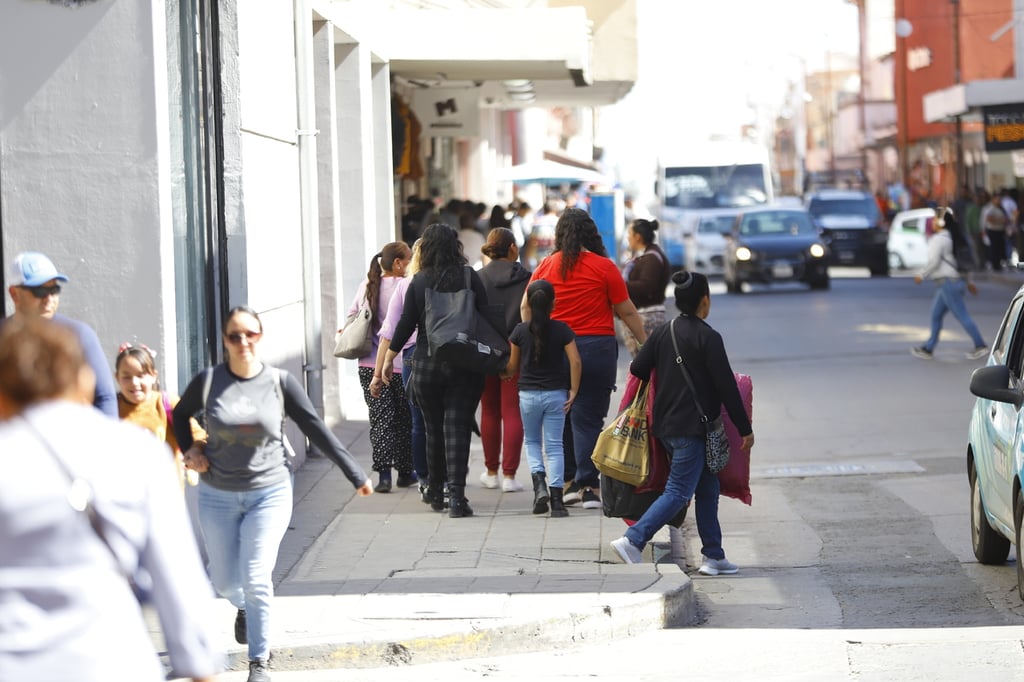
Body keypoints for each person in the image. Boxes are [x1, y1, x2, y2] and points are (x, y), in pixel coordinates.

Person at [0, 316, 221, 682]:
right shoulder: (134, 452)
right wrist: (200, 667)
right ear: (84, 380)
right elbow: (179, 584)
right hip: (110, 661)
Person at [172, 306, 373, 682]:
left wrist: (354, 473)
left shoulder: (279, 382)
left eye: (250, 334)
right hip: (218, 493)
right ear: (225, 341)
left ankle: (259, 664)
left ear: (260, 337)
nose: (243, 342)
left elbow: (315, 427)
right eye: (235, 336)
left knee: (256, 575)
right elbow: (179, 415)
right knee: (226, 582)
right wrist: (191, 450)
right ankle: (244, 606)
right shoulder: (208, 381)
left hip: (270, 492)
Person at [610, 271, 754, 573]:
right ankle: (633, 540)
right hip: (693, 429)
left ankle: (713, 555)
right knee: (677, 491)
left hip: (665, 426)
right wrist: (745, 429)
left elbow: (637, 366)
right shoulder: (708, 337)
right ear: (704, 301)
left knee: (707, 487)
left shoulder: (665, 332)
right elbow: (727, 387)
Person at [522, 207, 648, 510]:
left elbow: (526, 308)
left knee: (560, 416)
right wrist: (648, 344)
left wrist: (534, 337)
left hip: (555, 350)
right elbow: (626, 310)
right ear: (591, 234)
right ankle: (589, 485)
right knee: (588, 417)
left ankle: (567, 483)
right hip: (596, 350)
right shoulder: (604, 267)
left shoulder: (545, 267)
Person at [382, 223, 489, 518]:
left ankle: (434, 490)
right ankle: (456, 497)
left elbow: (406, 324)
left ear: (425, 248)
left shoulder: (419, 281)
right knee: (457, 429)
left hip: (427, 363)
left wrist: (390, 357)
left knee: (432, 429)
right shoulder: (470, 277)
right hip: (464, 364)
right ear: (455, 246)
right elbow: (488, 316)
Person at [6, 251, 117, 417]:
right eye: (39, 291)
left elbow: (105, 397)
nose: (49, 298)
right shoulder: (3, 338)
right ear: (14, 294)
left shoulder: (79, 334)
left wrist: (106, 441)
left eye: (54, 289)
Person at [506, 279, 581, 517]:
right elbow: (576, 361)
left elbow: (512, 366)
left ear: (528, 302)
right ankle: (557, 502)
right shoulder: (562, 330)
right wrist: (574, 390)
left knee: (532, 442)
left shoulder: (519, 331)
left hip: (528, 394)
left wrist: (501, 372)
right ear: (553, 303)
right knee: (555, 446)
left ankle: (539, 486)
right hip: (556, 394)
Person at [345, 242, 414, 493]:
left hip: (368, 364)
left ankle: (384, 475)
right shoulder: (406, 286)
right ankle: (406, 472)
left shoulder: (367, 285)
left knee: (380, 419)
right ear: (398, 263)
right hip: (400, 362)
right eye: (408, 259)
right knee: (405, 420)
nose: (411, 263)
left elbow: (352, 315)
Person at [370, 240, 429, 502]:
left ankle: (391, 475)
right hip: (432, 357)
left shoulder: (375, 286)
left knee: (392, 421)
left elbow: (388, 332)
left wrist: (379, 368)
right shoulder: (453, 279)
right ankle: (414, 472)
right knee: (418, 422)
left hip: (392, 360)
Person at [477, 228, 532, 492]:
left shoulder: (477, 279)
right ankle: (510, 476)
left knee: (489, 411)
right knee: (512, 411)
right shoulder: (527, 279)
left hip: (484, 353)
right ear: (512, 248)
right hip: (516, 352)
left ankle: (491, 472)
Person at [115, 342, 205, 490]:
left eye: (140, 375)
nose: (134, 383)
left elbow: (198, 435)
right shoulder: (111, 409)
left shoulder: (166, 404)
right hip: (123, 498)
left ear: (153, 376)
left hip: (165, 498)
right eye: (127, 377)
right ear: (117, 377)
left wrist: (195, 451)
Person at [911, 209, 988, 361]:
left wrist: (921, 275)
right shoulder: (958, 237)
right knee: (936, 315)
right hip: (953, 283)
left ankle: (980, 345)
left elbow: (933, 262)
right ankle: (928, 348)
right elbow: (965, 263)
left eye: (935, 219)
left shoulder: (939, 239)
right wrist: (969, 282)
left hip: (947, 283)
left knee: (962, 315)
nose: (932, 222)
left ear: (941, 222)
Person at [622, 218, 672, 357]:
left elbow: (647, 286)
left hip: (647, 318)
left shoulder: (652, 259)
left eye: (629, 235)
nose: (628, 238)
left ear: (638, 237)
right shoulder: (644, 257)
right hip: (641, 316)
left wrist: (620, 286)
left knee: (647, 365)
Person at [981, 191, 1009, 271]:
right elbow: (989, 219)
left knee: (1000, 248)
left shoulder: (1001, 208)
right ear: (993, 200)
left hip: (1001, 231)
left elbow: (1006, 219)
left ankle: (999, 264)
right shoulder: (990, 208)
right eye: (997, 199)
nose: (999, 201)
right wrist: (1000, 221)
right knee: (994, 248)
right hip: (993, 231)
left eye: (1000, 199)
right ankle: (995, 265)